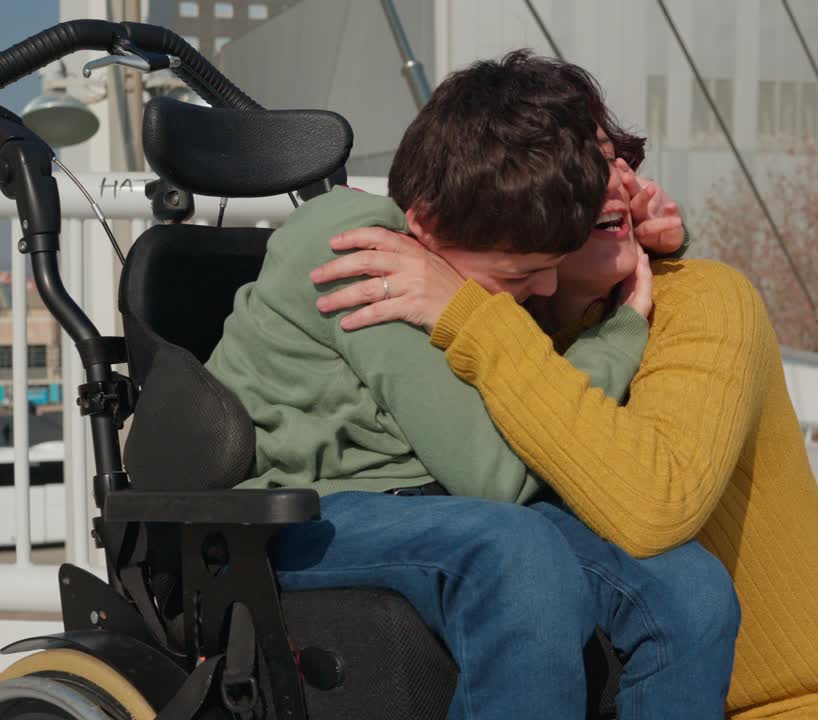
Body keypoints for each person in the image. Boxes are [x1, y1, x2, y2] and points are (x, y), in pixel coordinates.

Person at [310, 85, 818, 720]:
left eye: (612, 157)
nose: (613, 181)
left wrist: (468, 313)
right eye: (579, 167)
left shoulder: (703, 299)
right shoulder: (506, 336)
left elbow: (651, 508)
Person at [206, 51, 739, 719]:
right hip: (308, 512)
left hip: (437, 500)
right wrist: (619, 335)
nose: (543, 289)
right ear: (426, 224)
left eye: (552, 268)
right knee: (518, 557)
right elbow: (496, 478)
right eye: (521, 278)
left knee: (687, 587)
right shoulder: (357, 254)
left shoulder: (464, 242)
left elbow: (528, 399)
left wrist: (652, 247)